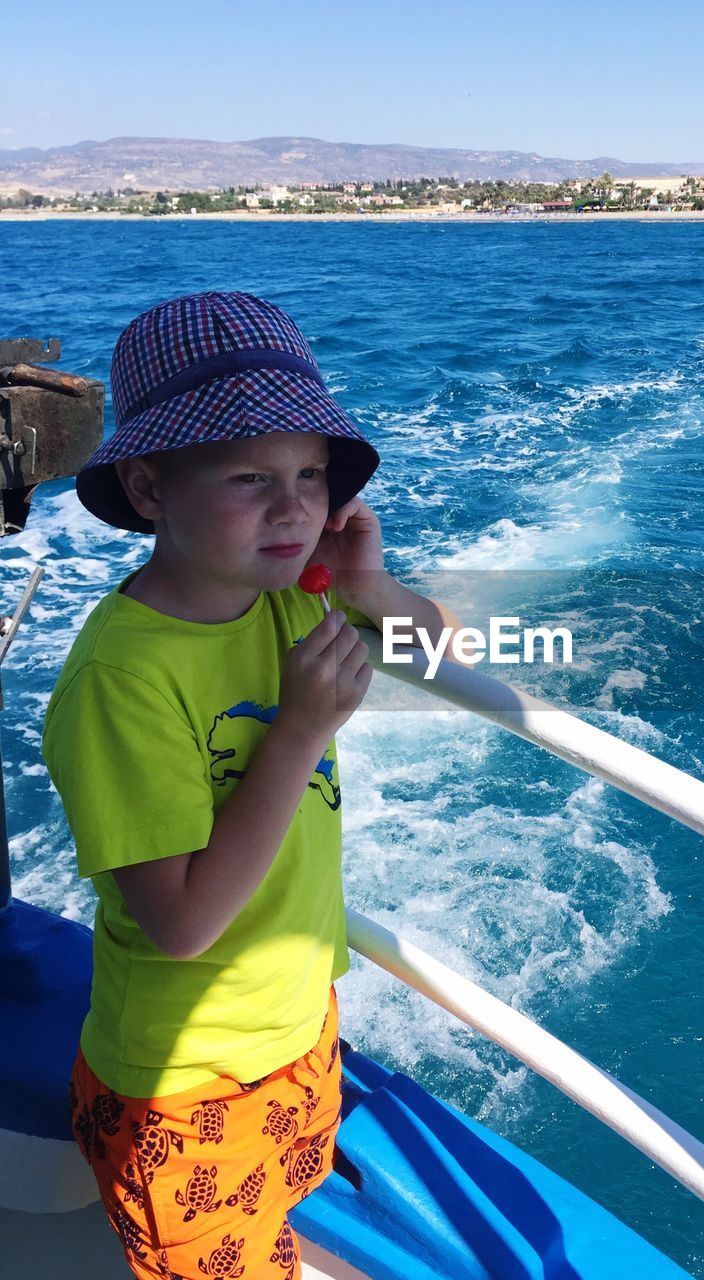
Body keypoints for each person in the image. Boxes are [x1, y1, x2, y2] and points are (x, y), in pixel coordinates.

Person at [42, 290, 461, 1280]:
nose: (294, 507)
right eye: (249, 474)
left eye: (312, 475)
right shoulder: (122, 677)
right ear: (148, 488)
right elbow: (182, 923)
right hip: (185, 1088)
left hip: (296, 1029)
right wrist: (297, 734)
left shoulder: (287, 602)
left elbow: (441, 654)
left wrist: (370, 587)